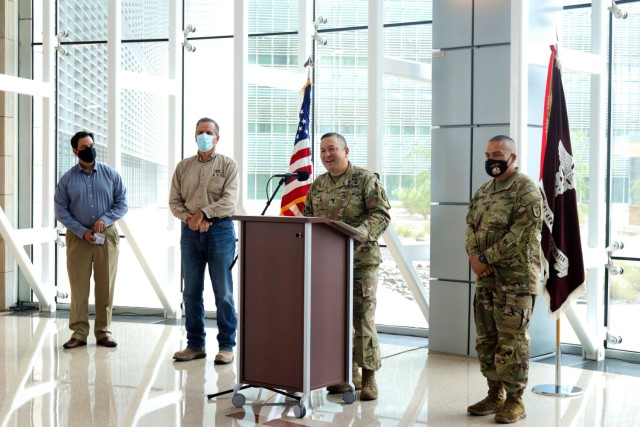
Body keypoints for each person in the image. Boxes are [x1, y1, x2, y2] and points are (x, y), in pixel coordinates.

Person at [303, 132, 391, 401]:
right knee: (334, 319)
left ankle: (369, 377)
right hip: (328, 265)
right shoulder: (318, 184)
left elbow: (382, 213)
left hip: (361, 261)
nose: (327, 155)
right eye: (322, 151)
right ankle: (344, 374)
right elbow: (308, 217)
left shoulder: (364, 179)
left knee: (361, 318)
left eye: (332, 149)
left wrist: (361, 232)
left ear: (345, 151)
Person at [465, 135, 543, 424]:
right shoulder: (484, 190)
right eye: (488, 155)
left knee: (512, 340)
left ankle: (515, 401)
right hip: (486, 279)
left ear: (513, 157)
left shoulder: (526, 190)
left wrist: (484, 259)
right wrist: (475, 256)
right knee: (487, 338)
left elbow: (519, 236)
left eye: (497, 154)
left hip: (516, 281)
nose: (491, 160)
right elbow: (470, 226)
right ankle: (494, 394)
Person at [169, 117, 239, 365]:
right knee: (191, 292)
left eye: (209, 132)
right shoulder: (183, 167)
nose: (204, 136)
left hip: (220, 232)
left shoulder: (228, 166)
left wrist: (204, 214)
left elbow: (229, 202)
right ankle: (195, 344)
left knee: (224, 292)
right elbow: (174, 202)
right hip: (190, 233)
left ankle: (226, 346)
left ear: (217, 138)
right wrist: (191, 219)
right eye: (200, 132)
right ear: (194, 136)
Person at [54, 131, 128, 349]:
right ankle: (78, 333)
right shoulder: (67, 179)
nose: (90, 150)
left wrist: (105, 219)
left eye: (92, 145)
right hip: (78, 239)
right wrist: (80, 230)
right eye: (84, 147)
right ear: (75, 151)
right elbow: (60, 210)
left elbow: (122, 203)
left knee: (106, 286)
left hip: (108, 236)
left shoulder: (111, 174)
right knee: (79, 288)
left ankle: (103, 332)